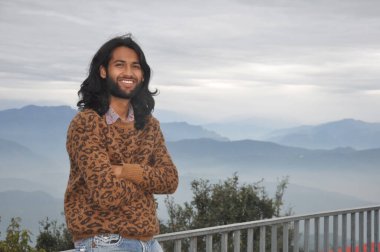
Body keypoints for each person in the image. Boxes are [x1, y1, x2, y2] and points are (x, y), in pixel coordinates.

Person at [64, 34, 179, 252]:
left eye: (135, 66)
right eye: (120, 65)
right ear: (103, 71)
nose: (128, 72)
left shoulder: (149, 126)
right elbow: (106, 194)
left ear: (143, 75)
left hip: (149, 242)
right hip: (105, 242)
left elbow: (170, 180)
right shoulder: (87, 123)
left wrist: (125, 171)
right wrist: (147, 180)